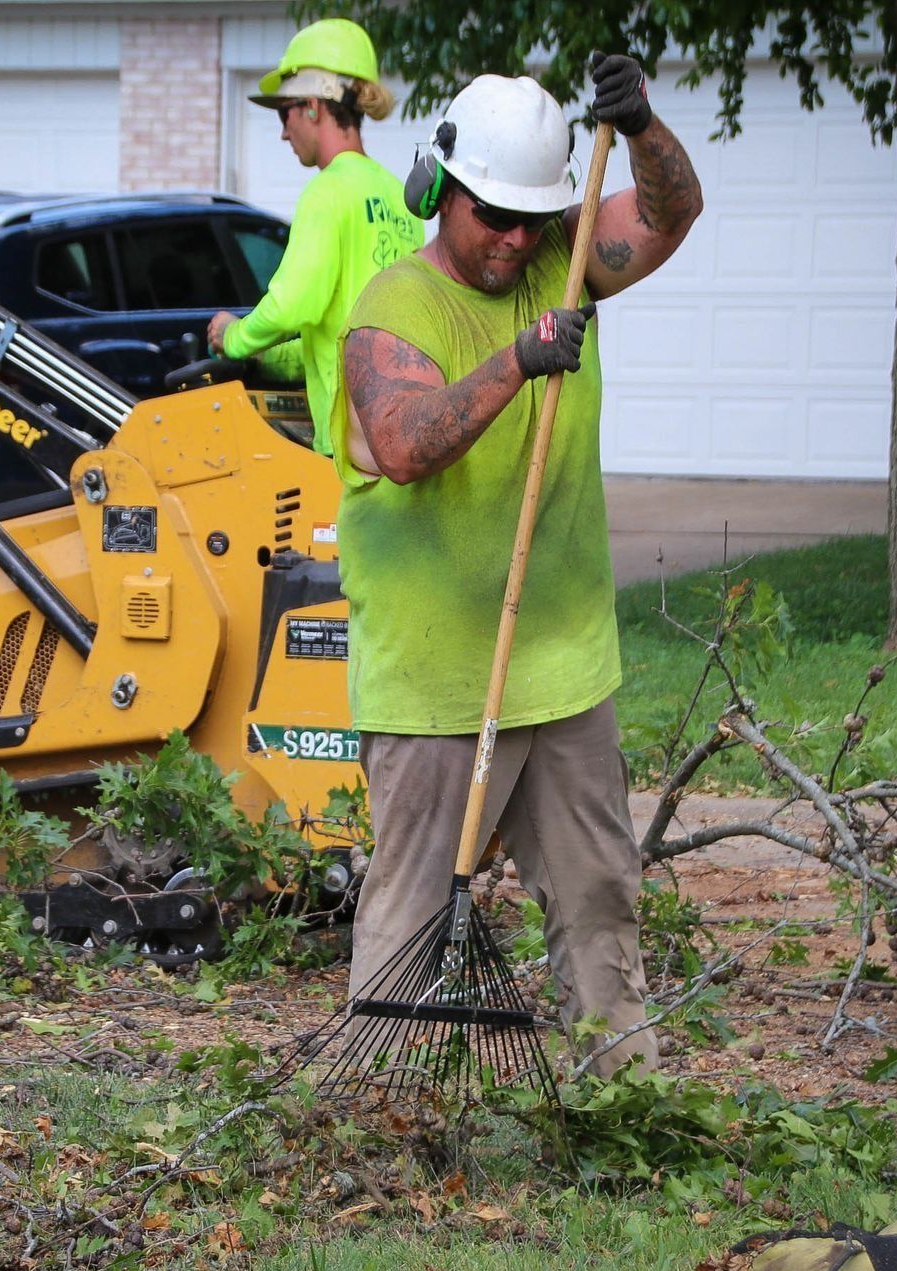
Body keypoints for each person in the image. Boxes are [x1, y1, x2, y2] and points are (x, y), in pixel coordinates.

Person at [331, 56, 702, 1076]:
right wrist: (519, 359)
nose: (513, 238)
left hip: (566, 665)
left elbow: (670, 214)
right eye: (493, 214)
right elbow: (406, 443)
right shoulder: (391, 309)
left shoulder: (563, 260)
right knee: (409, 912)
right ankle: (381, 1109)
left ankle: (623, 1098)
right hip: (437, 679)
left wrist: (642, 129)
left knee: (598, 897)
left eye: (532, 218)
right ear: (441, 189)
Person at [205, 18, 421, 456]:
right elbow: (340, 327)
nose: (283, 131)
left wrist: (233, 337)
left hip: (351, 450)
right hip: (403, 432)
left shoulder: (327, 191)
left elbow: (292, 305)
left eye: (284, 112)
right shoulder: (399, 196)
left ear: (312, 105)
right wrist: (271, 359)